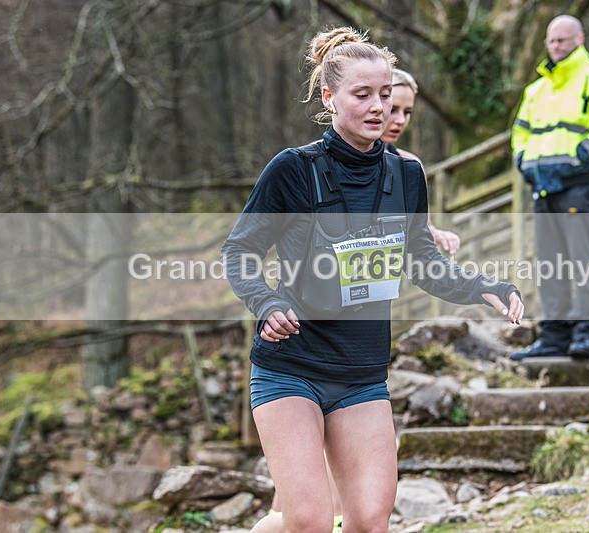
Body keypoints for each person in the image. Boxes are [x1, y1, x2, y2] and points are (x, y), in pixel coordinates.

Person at [221, 26, 524, 533]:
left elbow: (423, 262)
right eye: (362, 95)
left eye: (385, 94)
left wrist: (483, 286)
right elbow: (239, 250)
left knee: (368, 521)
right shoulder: (293, 169)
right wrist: (266, 303)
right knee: (310, 522)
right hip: (291, 367)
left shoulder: (406, 175)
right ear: (330, 98)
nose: (379, 107)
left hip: (361, 372)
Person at [509, 15, 589, 361]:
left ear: (579, 38)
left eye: (562, 39)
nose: (556, 46)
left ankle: (587, 332)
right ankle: (554, 336)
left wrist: (582, 154)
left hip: (582, 183)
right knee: (550, 262)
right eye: (551, 41)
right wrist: (523, 162)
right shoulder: (536, 90)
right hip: (544, 185)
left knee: (581, 258)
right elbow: (520, 133)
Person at [382, 68, 461, 255]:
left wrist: (439, 235)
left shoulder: (410, 164)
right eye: (393, 110)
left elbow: (423, 226)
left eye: (407, 112)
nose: (401, 120)